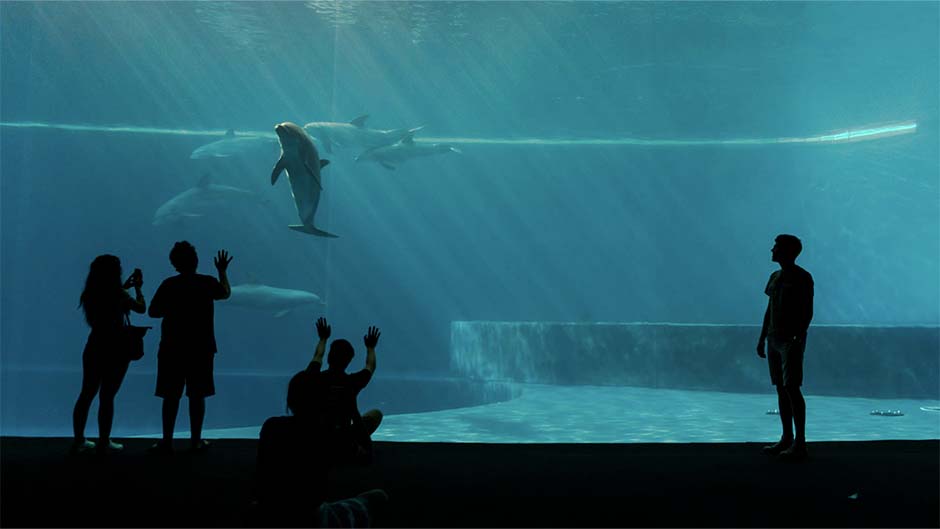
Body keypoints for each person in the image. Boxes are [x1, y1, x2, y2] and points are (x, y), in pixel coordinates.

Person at [254, 370, 388, 527]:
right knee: (379, 497)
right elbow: (367, 457)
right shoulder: (328, 433)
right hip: (312, 518)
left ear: (290, 400)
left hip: (268, 512)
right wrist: (353, 411)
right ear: (326, 401)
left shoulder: (271, 426)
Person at [148, 241, 231, 454]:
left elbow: (153, 312)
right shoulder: (207, 282)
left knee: (170, 396)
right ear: (196, 261)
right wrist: (222, 271)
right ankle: (196, 440)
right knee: (197, 395)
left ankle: (167, 441)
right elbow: (225, 294)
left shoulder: (168, 285)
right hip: (201, 348)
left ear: (174, 264)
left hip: (172, 348)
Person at [72, 255, 146, 454]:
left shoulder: (90, 293)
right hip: (116, 348)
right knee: (107, 396)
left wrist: (125, 287)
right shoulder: (118, 293)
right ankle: (104, 440)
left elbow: (107, 303)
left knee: (86, 393)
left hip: (95, 345)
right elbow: (141, 308)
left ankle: (79, 439)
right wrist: (138, 287)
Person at [757, 234, 814, 460]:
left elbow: (807, 311)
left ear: (788, 251)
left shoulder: (803, 278)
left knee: (792, 388)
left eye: (777, 247)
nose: (772, 250)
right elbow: (769, 309)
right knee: (781, 388)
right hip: (773, 338)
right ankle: (786, 437)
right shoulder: (774, 276)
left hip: (791, 340)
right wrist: (762, 337)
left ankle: (800, 442)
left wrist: (797, 336)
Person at [302, 317, 383, 463]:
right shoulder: (352, 382)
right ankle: (354, 450)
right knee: (376, 414)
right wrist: (371, 347)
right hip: (343, 438)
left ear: (329, 358)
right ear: (349, 360)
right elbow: (370, 366)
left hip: (315, 437)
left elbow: (317, 356)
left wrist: (323, 338)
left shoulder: (314, 378)